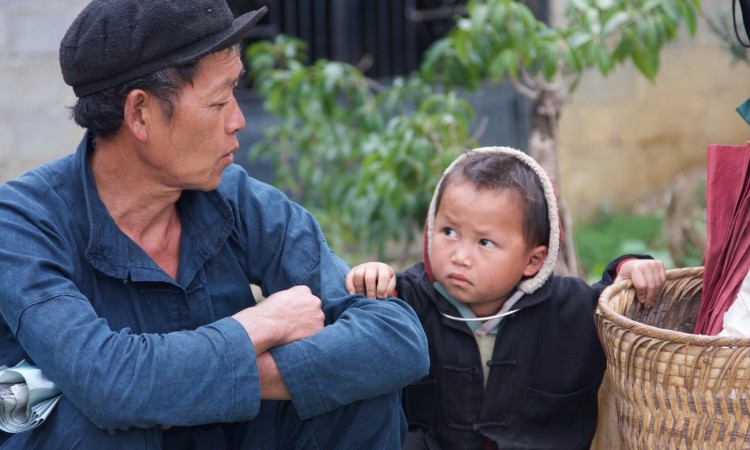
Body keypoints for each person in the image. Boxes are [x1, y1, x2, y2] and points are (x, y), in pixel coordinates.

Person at [0, 1, 429, 448]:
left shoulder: (235, 198)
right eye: (219, 101)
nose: (239, 120)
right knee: (97, 425)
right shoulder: (22, 223)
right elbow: (108, 385)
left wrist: (195, 388)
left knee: (360, 391)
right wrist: (257, 327)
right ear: (140, 114)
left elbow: (394, 337)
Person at [345, 147, 666, 450]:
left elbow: (612, 297)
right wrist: (374, 277)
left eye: (484, 242)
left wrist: (631, 268)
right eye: (449, 232)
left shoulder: (568, 309)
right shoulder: (413, 299)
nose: (460, 256)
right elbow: (379, 304)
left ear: (533, 261)